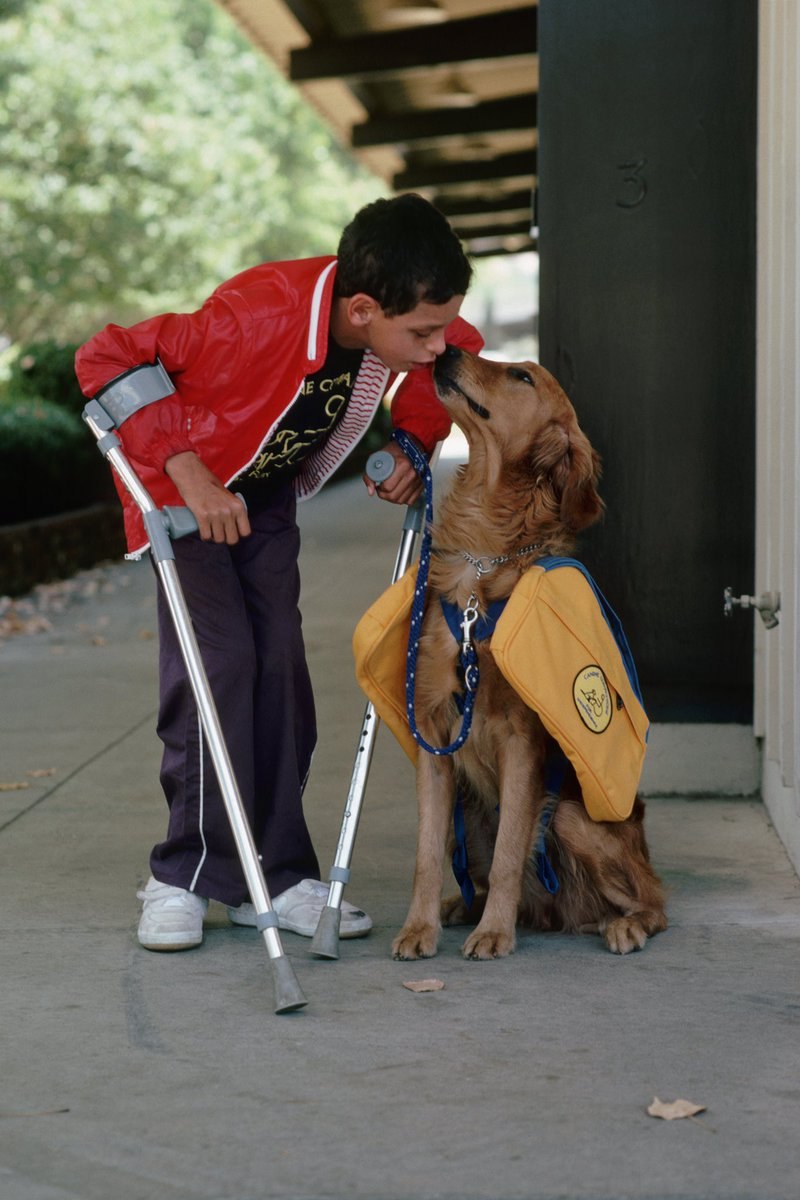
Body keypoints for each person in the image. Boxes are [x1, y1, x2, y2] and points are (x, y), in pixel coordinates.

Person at [75, 193, 484, 952]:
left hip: (263, 497)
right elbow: (111, 355)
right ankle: (184, 876)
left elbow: (452, 353)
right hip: (185, 497)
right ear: (361, 308)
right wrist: (192, 476)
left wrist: (413, 445)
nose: (434, 346)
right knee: (218, 668)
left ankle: (279, 871)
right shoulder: (254, 315)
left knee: (281, 675)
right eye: (418, 333)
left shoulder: (407, 322)